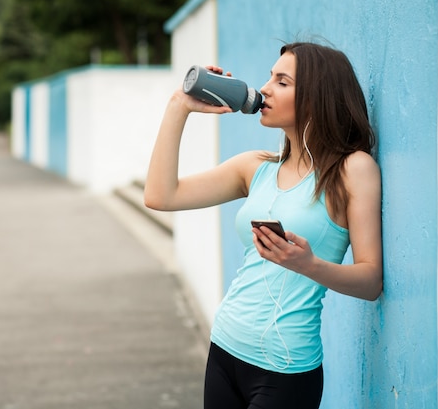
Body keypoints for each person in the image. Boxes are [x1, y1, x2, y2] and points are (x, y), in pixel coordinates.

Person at [144, 41, 383, 409]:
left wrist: (309, 265)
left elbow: (371, 281)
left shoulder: (352, 170)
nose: (265, 88)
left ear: (316, 97)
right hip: (225, 346)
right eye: (270, 77)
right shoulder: (255, 167)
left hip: (285, 368)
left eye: (282, 81)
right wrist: (180, 106)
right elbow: (161, 196)